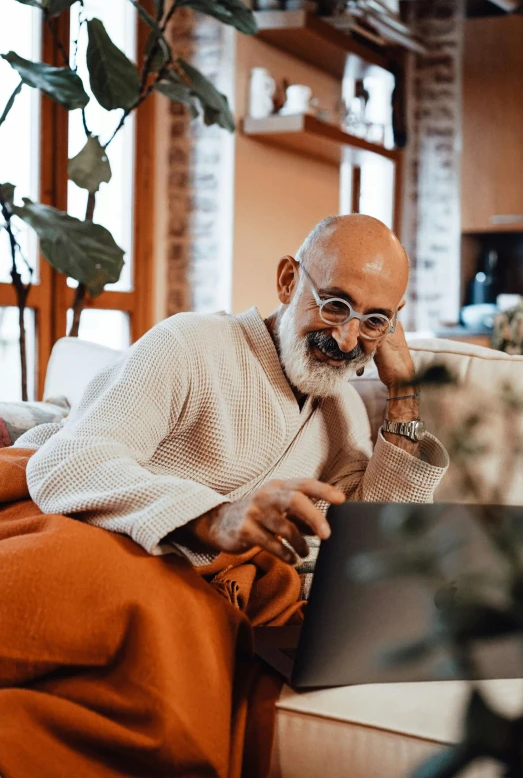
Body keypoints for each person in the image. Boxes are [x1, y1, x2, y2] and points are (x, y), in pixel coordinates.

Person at [17, 214, 449, 567]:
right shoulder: (188, 343)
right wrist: (213, 517)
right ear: (287, 281)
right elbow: (72, 460)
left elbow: (373, 545)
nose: (347, 340)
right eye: (334, 305)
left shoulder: (346, 412)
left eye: (374, 320)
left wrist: (403, 395)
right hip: (104, 552)